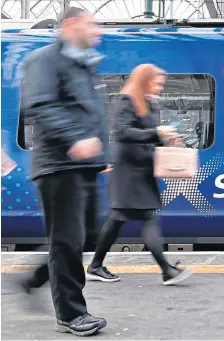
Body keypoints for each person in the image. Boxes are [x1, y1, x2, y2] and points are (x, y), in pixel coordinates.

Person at [20, 7, 111, 336]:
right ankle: (72, 315)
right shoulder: (45, 60)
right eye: (91, 24)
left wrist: (105, 154)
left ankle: (36, 279)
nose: (97, 30)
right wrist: (76, 139)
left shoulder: (83, 65)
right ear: (71, 25)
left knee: (87, 235)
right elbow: (39, 105)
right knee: (67, 241)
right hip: (58, 165)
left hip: (84, 165)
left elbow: (95, 116)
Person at [85, 64, 193, 286]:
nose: (160, 87)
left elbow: (147, 135)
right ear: (144, 80)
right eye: (156, 82)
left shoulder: (149, 103)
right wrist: (156, 132)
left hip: (141, 170)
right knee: (145, 218)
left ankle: (96, 265)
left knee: (119, 220)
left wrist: (167, 138)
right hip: (128, 171)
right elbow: (123, 132)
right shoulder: (125, 101)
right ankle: (166, 270)